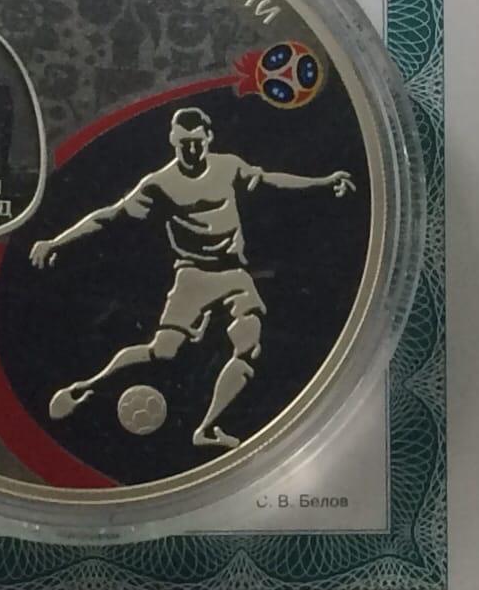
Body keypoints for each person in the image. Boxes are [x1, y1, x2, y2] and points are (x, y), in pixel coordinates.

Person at [30, 106, 354, 449]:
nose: (192, 149)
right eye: (185, 142)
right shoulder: (160, 184)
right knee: (162, 352)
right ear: (173, 139)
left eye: (197, 141)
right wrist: (56, 242)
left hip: (233, 273)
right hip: (192, 277)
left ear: (209, 137)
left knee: (249, 346)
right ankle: (86, 387)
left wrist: (323, 182)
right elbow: (109, 216)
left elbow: (272, 180)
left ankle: (208, 428)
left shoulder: (228, 166)